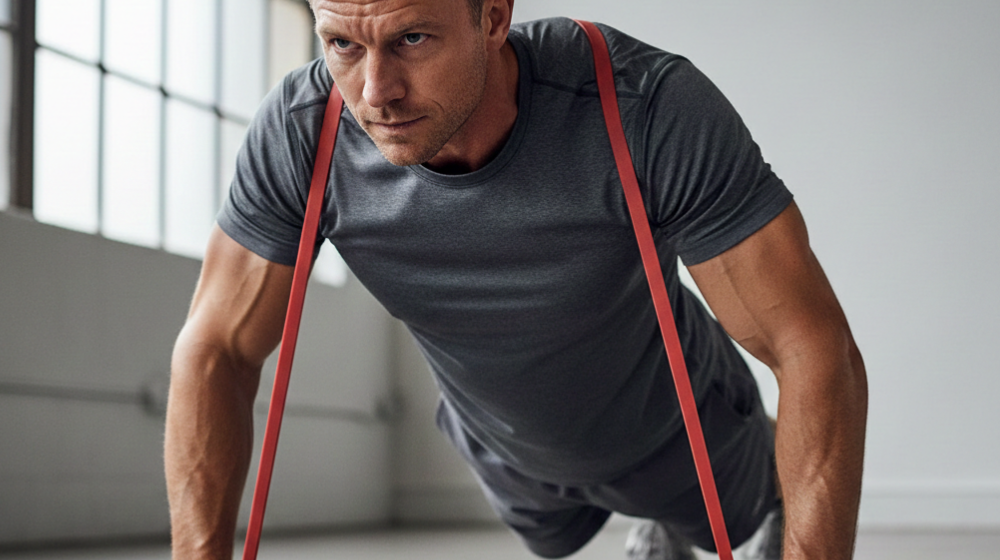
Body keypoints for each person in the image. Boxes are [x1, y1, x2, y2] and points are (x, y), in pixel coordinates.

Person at [164, 0, 868, 559]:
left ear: (494, 18)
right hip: (504, 449)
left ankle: (689, 508)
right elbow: (215, 350)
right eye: (343, 44)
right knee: (548, 533)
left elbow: (811, 345)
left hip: (673, 426)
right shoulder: (302, 133)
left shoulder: (643, 103)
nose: (376, 93)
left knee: (734, 512)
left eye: (412, 38)